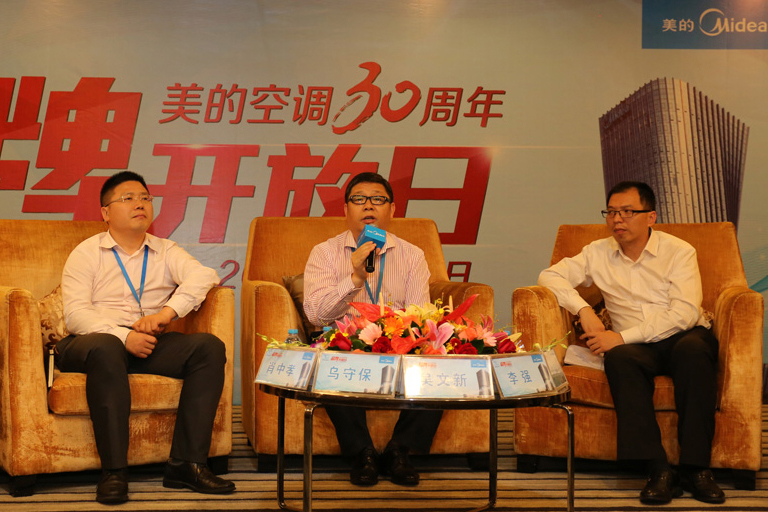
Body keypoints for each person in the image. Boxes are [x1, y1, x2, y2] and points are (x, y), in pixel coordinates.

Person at [538, 181, 724, 505]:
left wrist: (621, 337)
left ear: (651, 217)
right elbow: (549, 276)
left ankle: (697, 469)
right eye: (611, 212)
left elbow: (684, 313)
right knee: (619, 359)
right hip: (635, 349)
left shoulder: (679, 251)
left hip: (682, 336)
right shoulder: (597, 252)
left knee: (694, 352)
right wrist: (583, 309)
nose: (617, 219)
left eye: (627, 212)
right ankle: (658, 469)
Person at [59, 171, 235, 504]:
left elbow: (204, 276)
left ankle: (186, 464)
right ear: (106, 212)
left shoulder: (166, 251)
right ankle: (114, 471)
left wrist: (166, 313)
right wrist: (122, 336)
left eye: (145, 198)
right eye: (128, 198)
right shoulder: (87, 253)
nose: (139, 204)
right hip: (91, 342)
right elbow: (76, 315)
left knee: (207, 348)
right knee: (107, 346)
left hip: (146, 340)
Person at [303, 172, 443, 487]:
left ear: (392, 209)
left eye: (378, 199)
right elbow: (316, 315)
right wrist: (355, 278)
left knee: (436, 361)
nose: (369, 206)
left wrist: (395, 339)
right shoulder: (324, 253)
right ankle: (362, 453)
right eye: (359, 199)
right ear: (346, 209)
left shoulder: (412, 255)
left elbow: (419, 317)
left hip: (397, 347)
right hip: (344, 346)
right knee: (330, 360)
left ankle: (399, 451)